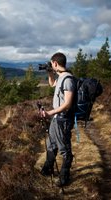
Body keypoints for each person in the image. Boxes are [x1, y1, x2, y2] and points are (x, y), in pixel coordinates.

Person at [40, 52, 75, 187]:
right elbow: (52, 84)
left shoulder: (68, 80)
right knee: (51, 144)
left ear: (55, 63)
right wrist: (50, 73)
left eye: (51, 63)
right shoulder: (60, 77)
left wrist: (50, 112)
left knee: (64, 149)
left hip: (63, 119)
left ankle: (64, 177)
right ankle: (47, 170)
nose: (51, 65)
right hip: (56, 118)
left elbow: (67, 104)